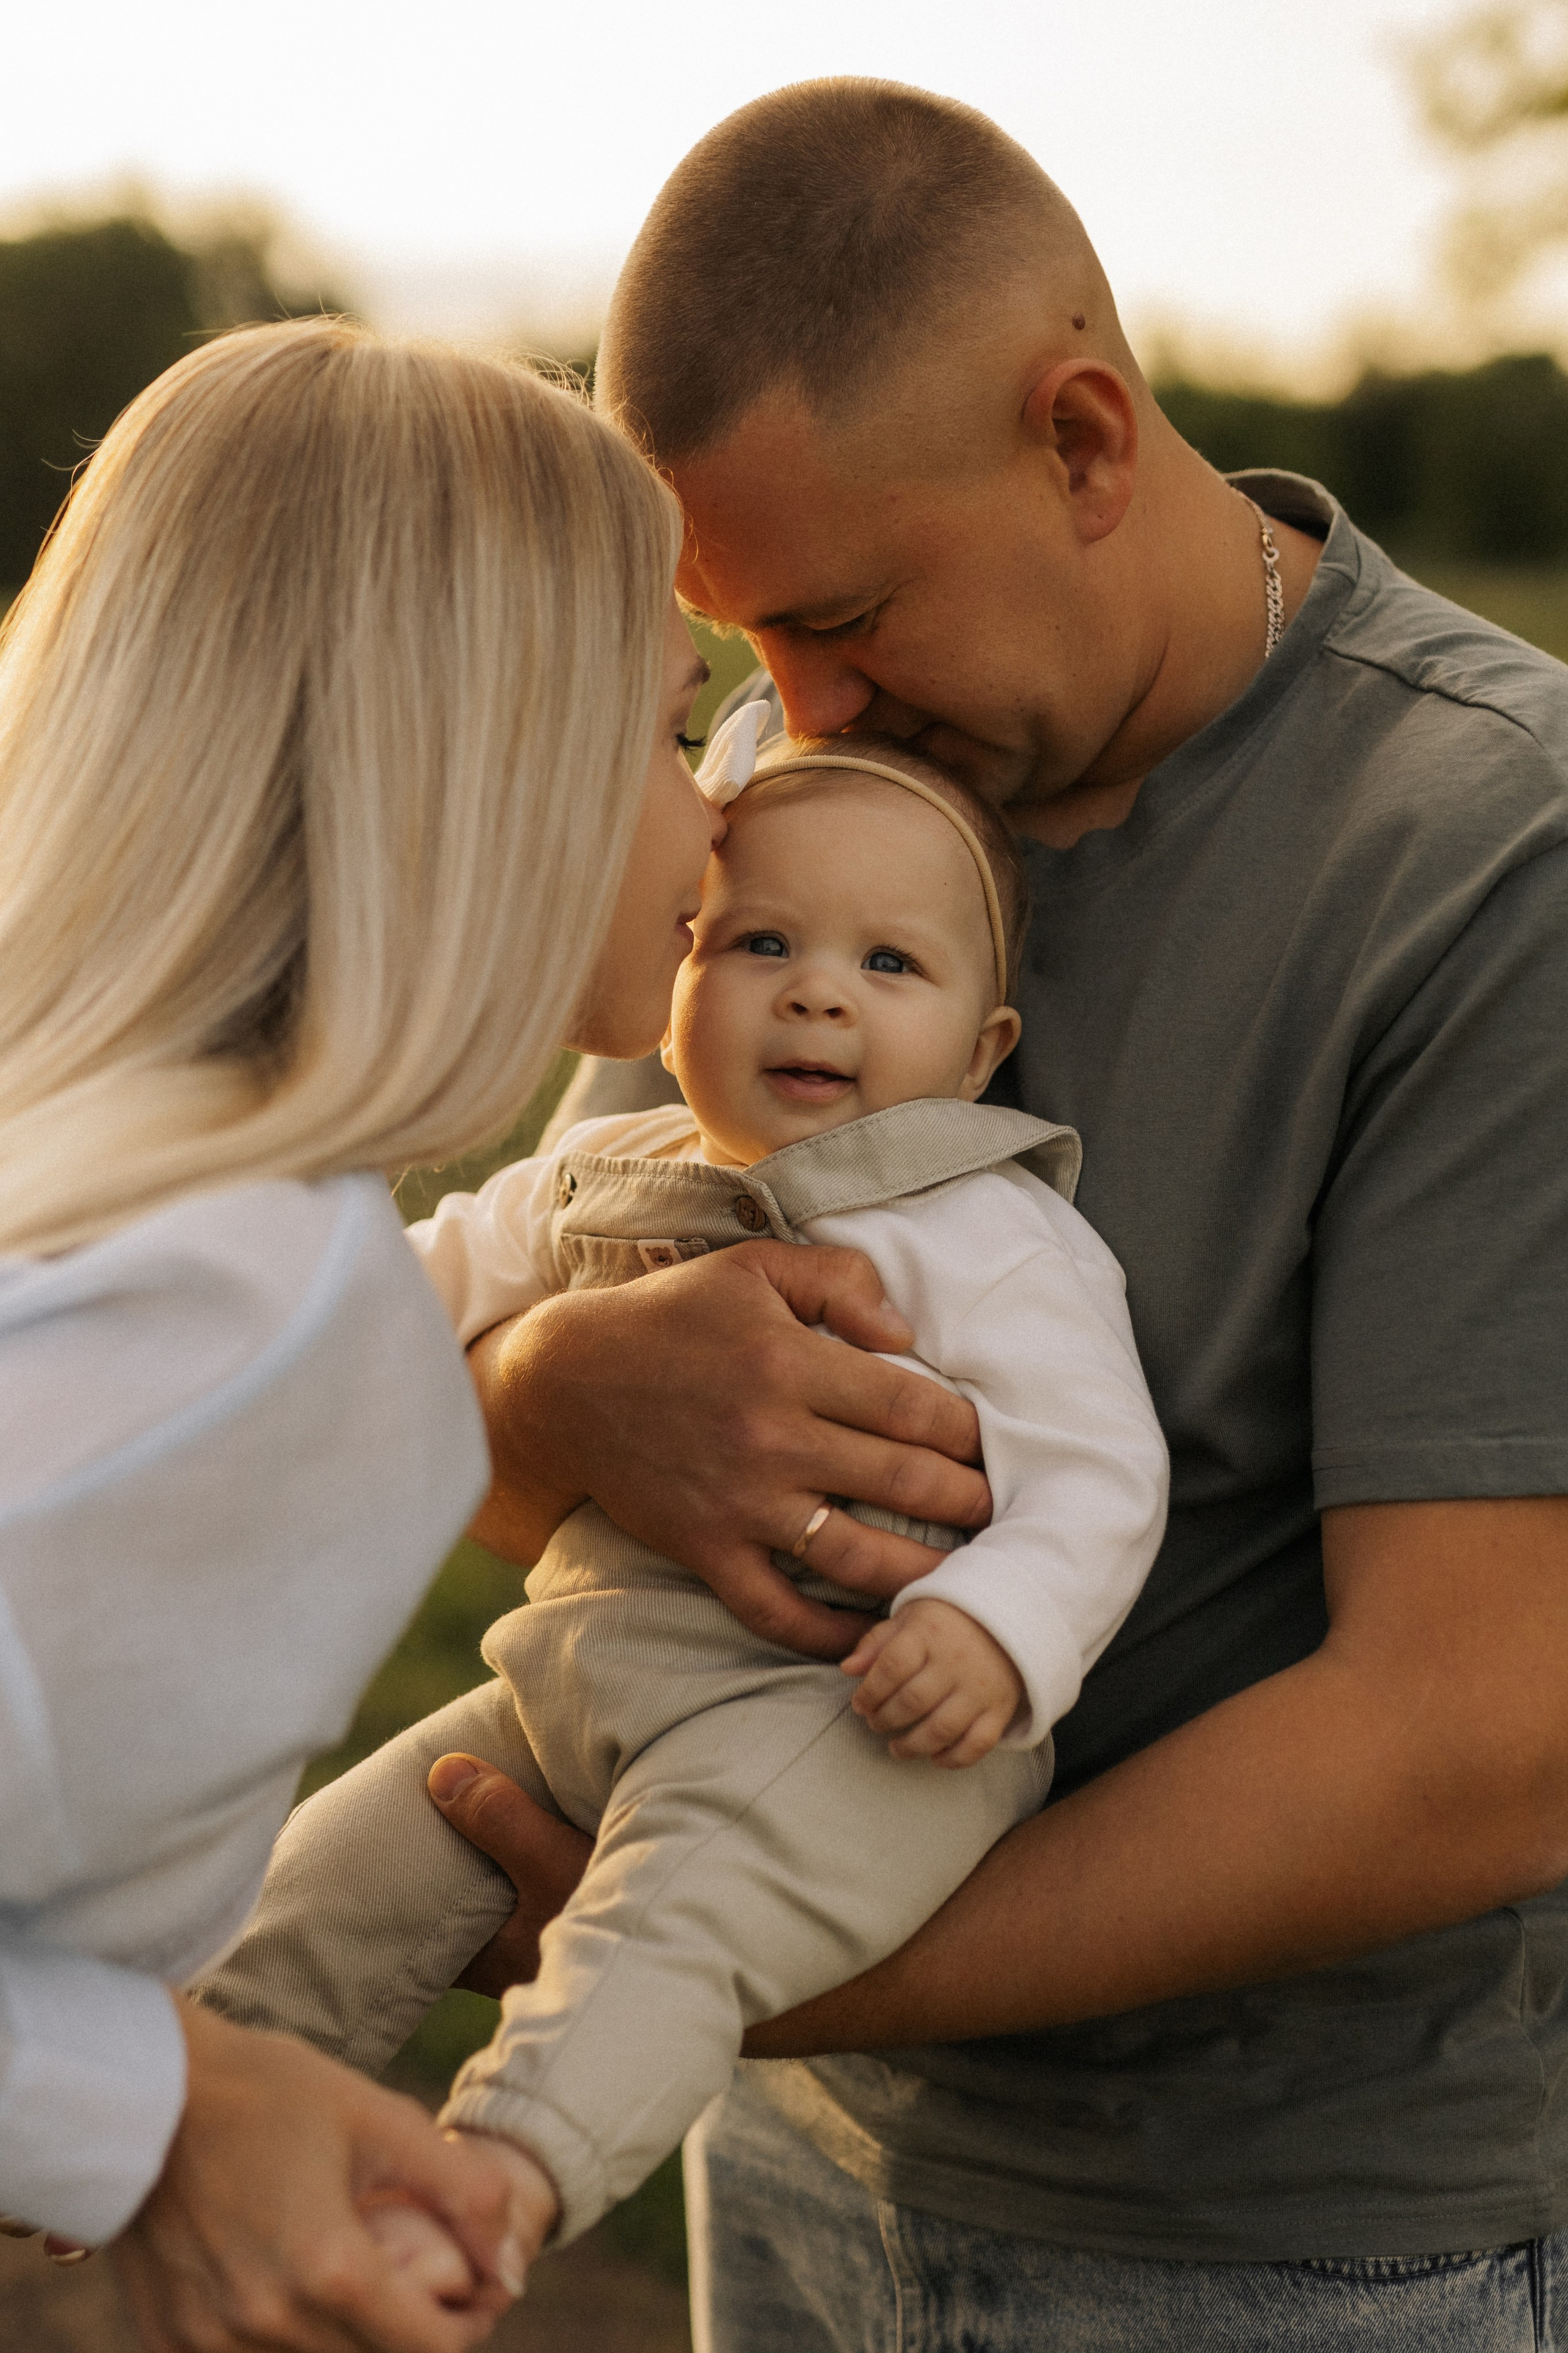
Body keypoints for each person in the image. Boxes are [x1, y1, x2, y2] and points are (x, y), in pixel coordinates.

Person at [421, 78, 1568, 2352]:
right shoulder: (801, 775)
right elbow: (526, 1334)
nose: (787, 724)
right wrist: (553, 1391)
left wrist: (730, 1964)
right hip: (795, 2160)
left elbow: (1482, 1736)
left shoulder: (1489, 857)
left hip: (1298, 2248)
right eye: (744, 644)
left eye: (844, 618)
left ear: (1081, 441)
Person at [196, 720, 1168, 2279]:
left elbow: (1100, 1471)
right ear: (677, 975)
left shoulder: (985, 1234)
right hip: (572, 1685)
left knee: (668, 1923)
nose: (816, 992)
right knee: (344, 1857)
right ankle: (178, 2089)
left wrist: (994, 1626)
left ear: (982, 1047)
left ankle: (498, 2178)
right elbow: (406, 1293)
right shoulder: (603, 1172)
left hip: (841, 1715)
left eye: (887, 964)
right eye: (760, 941)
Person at [0, 312, 729, 2351]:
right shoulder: (263, 1310)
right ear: (487, 771)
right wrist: (173, 2117)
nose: (717, 818)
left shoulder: (130, 1201)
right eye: (671, 732)